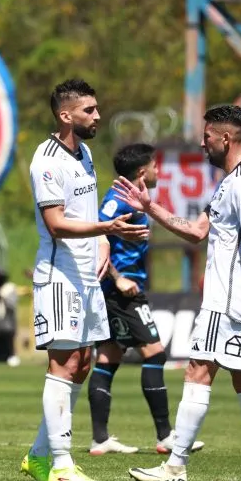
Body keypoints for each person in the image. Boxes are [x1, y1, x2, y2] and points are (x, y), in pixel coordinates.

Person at [123, 105, 241, 481]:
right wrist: (150, 207)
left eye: (207, 135)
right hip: (240, 299)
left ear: (225, 138)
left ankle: (175, 466)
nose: (201, 142)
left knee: (197, 370)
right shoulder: (233, 181)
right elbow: (196, 231)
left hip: (228, 301)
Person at [19, 79, 148, 481]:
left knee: (83, 365)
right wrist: (106, 226)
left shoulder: (87, 153)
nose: (97, 116)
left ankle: (39, 456)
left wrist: (104, 239)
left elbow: (84, 212)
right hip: (61, 275)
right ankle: (61, 465)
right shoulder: (47, 160)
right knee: (64, 364)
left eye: (96, 108)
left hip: (89, 276)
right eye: (88, 110)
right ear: (65, 115)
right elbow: (57, 224)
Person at [87, 143, 205, 456]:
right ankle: (166, 436)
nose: (158, 171)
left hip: (121, 291)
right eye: (155, 166)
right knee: (155, 354)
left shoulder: (134, 199)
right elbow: (95, 237)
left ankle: (100, 439)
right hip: (122, 292)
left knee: (108, 359)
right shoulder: (117, 201)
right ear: (142, 172)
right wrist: (118, 278)